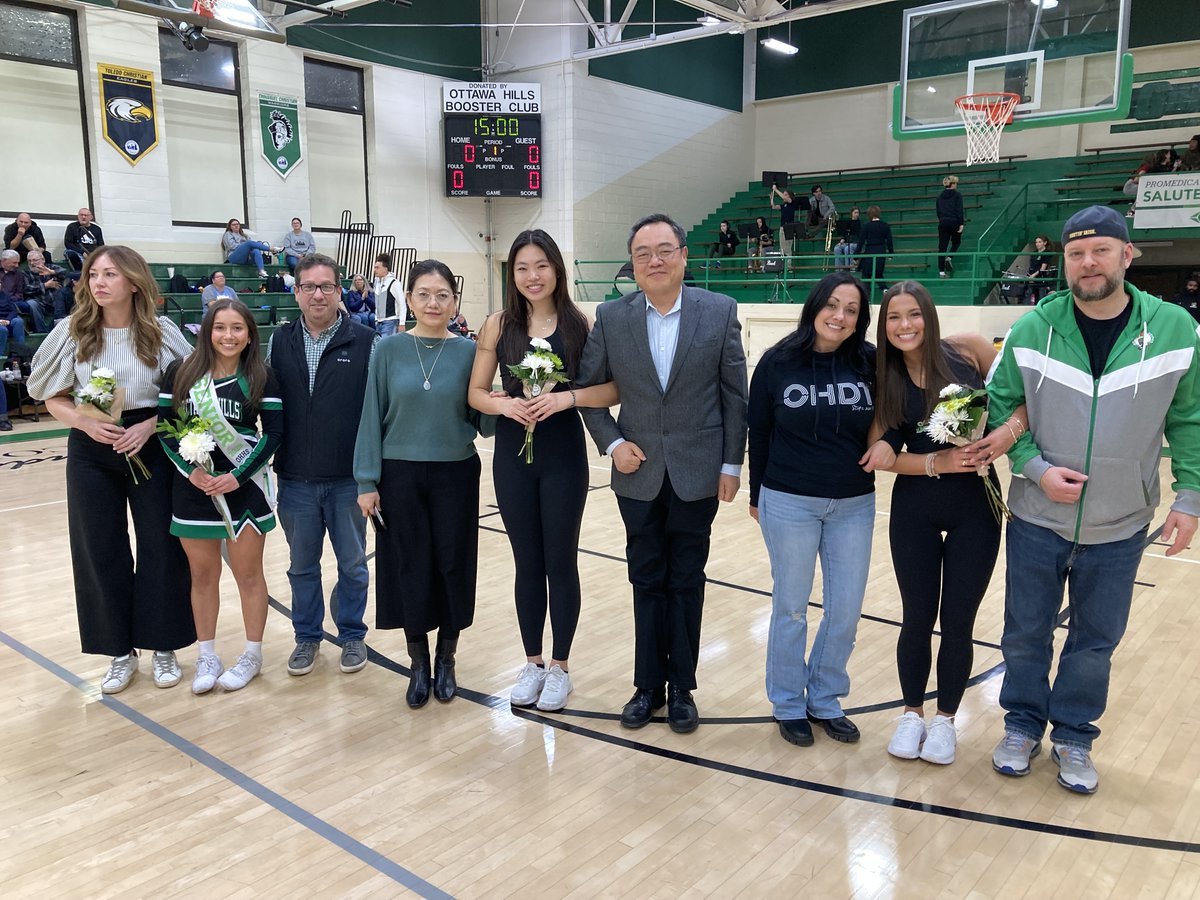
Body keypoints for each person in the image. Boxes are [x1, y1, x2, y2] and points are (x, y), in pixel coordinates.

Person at [985, 205, 1200, 794]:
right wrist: (1033, 468)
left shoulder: (1177, 329)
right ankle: (1022, 724)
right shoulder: (1034, 328)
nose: (1088, 262)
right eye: (1076, 253)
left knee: (1095, 637)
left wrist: (1190, 496)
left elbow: (1191, 418)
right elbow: (999, 407)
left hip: (1124, 521)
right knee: (1025, 630)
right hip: (1036, 516)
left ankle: (1074, 736)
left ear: (1127, 256)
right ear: (1064, 263)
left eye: (1101, 250)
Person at [577, 213, 748, 734]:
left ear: (684, 256)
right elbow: (588, 393)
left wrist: (731, 463)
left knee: (687, 581)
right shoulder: (611, 316)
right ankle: (646, 686)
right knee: (645, 580)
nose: (655, 260)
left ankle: (682, 689)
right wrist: (613, 444)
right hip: (638, 474)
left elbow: (734, 396)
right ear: (632, 264)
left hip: (699, 474)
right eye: (643, 253)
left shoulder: (719, 312)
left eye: (665, 250)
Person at [27, 246, 195, 694]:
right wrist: (84, 422)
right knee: (99, 547)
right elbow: (50, 395)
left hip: (151, 442)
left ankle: (164, 645)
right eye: (93, 274)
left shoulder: (162, 332)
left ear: (134, 282)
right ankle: (120, 651)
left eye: (110, 275)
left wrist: (151, 426)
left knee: (162, 545)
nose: (99, 283)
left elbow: (192, 393)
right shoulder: (71, 331)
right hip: (92, 446)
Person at [873, 281, 1024, 766]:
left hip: (975, 508)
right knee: (916, 617)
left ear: (929, 316)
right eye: (894, 317)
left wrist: (1005, 433)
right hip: (915, 506)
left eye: (913, 314)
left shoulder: (971, 351)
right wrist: (935, 463)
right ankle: (911, 715)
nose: (904, 326)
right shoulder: (884, 374)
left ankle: (944, 722)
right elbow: (886, 455)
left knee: (958, 622)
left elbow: (1023, 398)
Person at [468, 230, 619, 712]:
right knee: (526, 562)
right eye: (521, 268)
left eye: (541, 266)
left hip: (563, 458)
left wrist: (565, 397)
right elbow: (475, 392)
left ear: (556, 268)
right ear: (511, 274)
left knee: (560, 560)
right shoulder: (497, 324)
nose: (532, 276)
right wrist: (505, 405)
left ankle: (561, 667)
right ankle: (532, 662)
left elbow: (613, 390)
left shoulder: (582, 324)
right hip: (513, 455)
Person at [748, 272, 894, 748]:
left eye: (851, 310)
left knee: (846, 610)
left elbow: (897, 415)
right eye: (832, 305)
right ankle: (789, 702)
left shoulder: (872, 363)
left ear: (861, 319)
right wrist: (756, 495)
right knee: (791, 607)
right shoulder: (777, 362)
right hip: (789, 499)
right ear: (814, 307)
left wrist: (890, 442)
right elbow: (760, 431)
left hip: (854, 502)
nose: (840, 316)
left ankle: (826, 699)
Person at [354, 260, 494, 708]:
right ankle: (418, 662)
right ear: (409, 299)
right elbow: (370, 416)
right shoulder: (388, 348)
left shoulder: (470, 352)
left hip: (456, 471)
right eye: (424, 294)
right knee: (409, 565)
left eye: (443, 295)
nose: (434, 303)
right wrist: (366, 480)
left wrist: (517, 398)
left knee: (453, 563)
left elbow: (482, 419)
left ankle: (447, 657)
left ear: (455, 301)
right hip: (400, 474)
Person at [159, 298, 283, 693]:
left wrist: (238, 476)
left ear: (249, 335)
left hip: (242, 487)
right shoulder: (180, 373)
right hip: (193, 487)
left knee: (248, 575)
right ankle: (207, 655)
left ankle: (252, 654)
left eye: (237, 328)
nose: (228, 336)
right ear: (206, 332)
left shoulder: (261, 374)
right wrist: (191, 471)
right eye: (220, 328)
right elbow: (165, 429)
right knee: (202, 575)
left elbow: (274, 433)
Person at [268, 253, 378, 678]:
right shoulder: (279, 341)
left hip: (349, 479)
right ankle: (307, 638)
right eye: (309, 287)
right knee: (301, 566)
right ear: (296, 292)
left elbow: (376, 412)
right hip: (295, 479)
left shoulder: (366, 341)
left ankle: (352, 634)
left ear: (339, 291)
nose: (318, 294)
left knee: (353, 565)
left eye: (326, 287)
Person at [24, 249, 76, 323]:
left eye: (35, 260)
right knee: (32, 303)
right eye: (29, 261)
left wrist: (52, 272)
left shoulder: (52, 268)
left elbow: (68, 274)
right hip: (40, 302)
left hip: (57, 301)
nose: (32, 263)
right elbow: (27, 289)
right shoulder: (26, 273)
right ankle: (40, 332)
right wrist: (45, 285)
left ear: (43, 260)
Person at [1, 249, 47, 333]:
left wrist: (8, 300)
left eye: (18, 262)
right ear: (4, 261)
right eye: (14, 263)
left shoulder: (19, 274)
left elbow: (19, 294)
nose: (17, 265)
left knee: (25, 305)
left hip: (12, 301)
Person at [857, 206, 894, 295]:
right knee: (878, 273)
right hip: (881, 251)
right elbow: (889, 240)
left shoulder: (866, 226)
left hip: (869, 252)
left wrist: (855, 256)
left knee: (866, 274)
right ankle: (884, 289)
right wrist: (890, 254)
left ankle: (866, 294)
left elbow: (861, 242)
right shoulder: (885, 225)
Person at [936, 175, 964, 277]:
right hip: (954, 221)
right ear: (953, 184)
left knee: (942, 247)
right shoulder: (957, 195)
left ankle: (941, 271)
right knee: (956, 242)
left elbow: (938, 211)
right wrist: (961, 223)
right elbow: (959, 210)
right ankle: (950, 257)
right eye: (956, 183)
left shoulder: (939, 196)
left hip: (943, 222)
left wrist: (942, 219)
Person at [371, 253, 406, 337]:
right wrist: (376, 319)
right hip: (379, 322)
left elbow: (402, 304)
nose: (375, 270)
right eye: (375, 267)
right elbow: (378, 303)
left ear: (385, 269)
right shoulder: (377, 283)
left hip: (391, 321)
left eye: (377, 267)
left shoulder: (394, 283)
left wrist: (402, 323)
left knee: (386, 346)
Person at [1024, 235, 1056, 305]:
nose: (1037, 244)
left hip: (1041, 277)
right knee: (1030, 295)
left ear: (1045, 243)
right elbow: (1031, 265)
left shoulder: (1047, 253)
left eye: (1039, 242)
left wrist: (1034, 275)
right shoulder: (1034, 253)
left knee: (1041, 296)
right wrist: (1030, 275)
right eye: (1036, 242)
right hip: (1032, 276)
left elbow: (1043, 268)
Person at [770, 186, 800, 259]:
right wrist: (771, 199)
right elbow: (774, 207)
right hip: (782, 227)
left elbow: (785, 198)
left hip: (789, 227)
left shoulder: (792, 202)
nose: (784, 196)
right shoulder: (783, 205)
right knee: (782, 247)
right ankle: (783, 263)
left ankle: (788, 264)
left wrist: (776, 189)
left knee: (787, 247)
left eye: (786, 194)